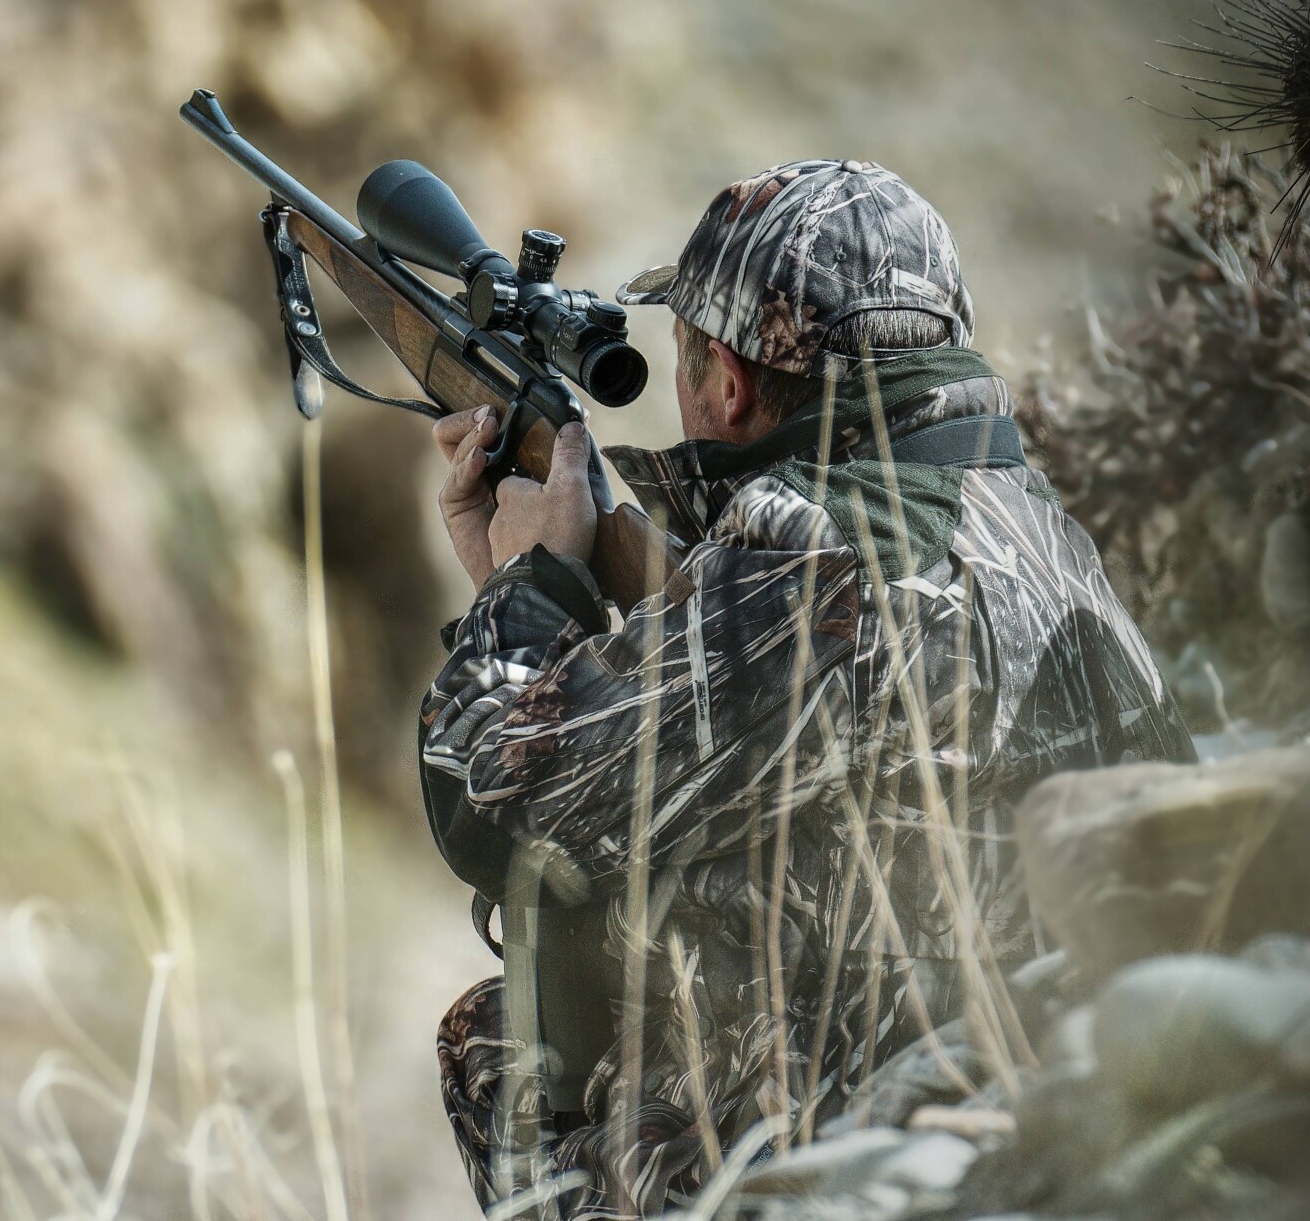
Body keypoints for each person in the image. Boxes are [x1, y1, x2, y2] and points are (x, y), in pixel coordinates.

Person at [417, 159, 1194, 1217]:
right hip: (1053, 1118)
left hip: (853, 1165)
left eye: (686, 359)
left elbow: (497, 813)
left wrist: (528, 584)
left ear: (730, 383)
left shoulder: (815, 559)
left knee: (500, 1039)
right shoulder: (1034, 521)